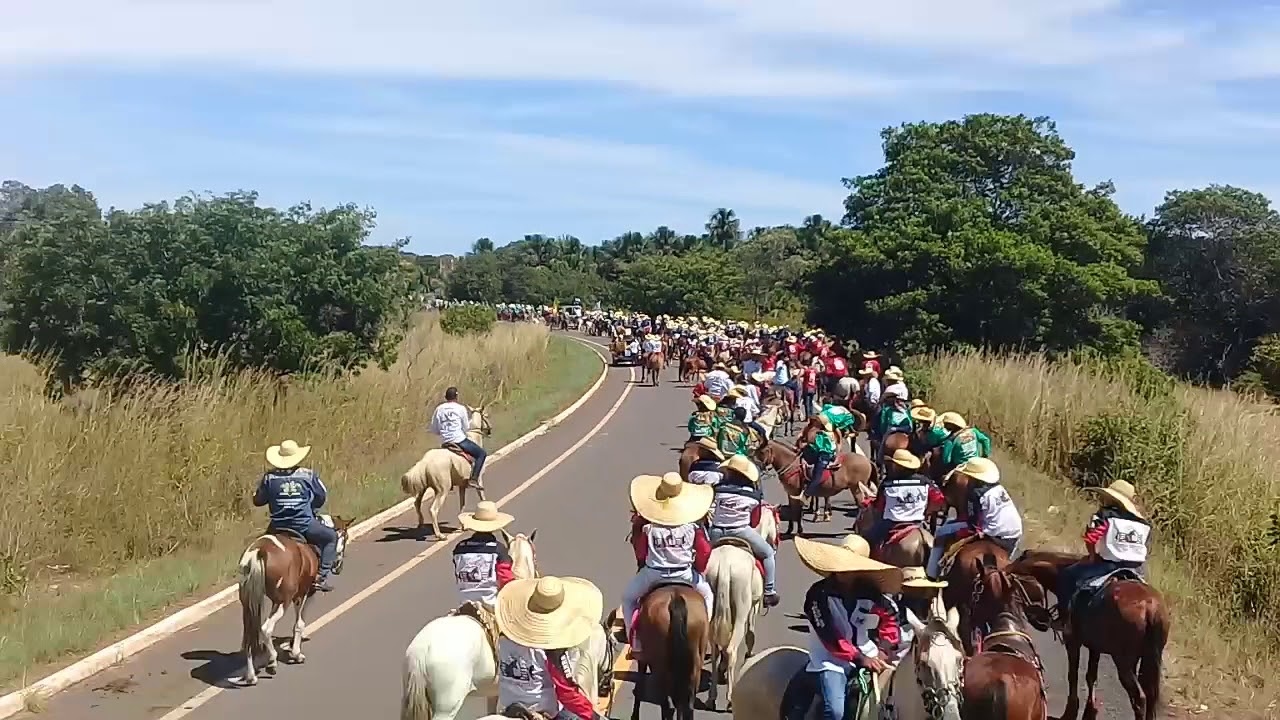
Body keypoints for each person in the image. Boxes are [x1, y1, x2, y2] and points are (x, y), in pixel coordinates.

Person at [782, 536, 904, 720]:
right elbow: (829, 636)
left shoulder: (870, 593)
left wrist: (883, 649)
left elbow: (891, 615)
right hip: (829, 660)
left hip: (868, 654)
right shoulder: (818, 595)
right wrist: (859, 658)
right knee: (835, 712)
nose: (842, 571)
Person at [623, 473, 715, 657]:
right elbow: (704, 551)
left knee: (628, 599)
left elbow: (641, 553)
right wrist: (699, 569)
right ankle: (705, 638)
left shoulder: (649, 528)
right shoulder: (692, 528)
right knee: (708, 597)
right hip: (685, 574)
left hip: (653, 574)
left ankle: (637, 644)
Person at [494, 576, 605, 720]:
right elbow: (566, 694)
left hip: (506, 706)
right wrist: (592, 716)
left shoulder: (504, 638)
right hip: (540, 710)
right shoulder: (551, 651)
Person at [1055, 480, 1151, 630]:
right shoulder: (1143, 523)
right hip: (1138, 569)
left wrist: (1092, 556)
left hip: (1109, 565)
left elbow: (1091, 538)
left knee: (1067, 576)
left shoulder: (1105, 515)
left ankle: (1065, 621)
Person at [254, 439, 337, 592]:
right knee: (331, 537)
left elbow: (258, 500)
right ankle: (321, 576)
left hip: (277, 526)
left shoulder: (269, 478)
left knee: (258, 550)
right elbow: (321, 496)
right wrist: (312, 507)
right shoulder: (308, 475)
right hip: (304, 525)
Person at [926, 457, 1024, 578]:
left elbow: (973, 524)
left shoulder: (976, 493)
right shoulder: (999, 488)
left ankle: (931, 574)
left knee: (942, 532)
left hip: (990, 533)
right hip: (1014, 534)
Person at [708, 454, 780, 607]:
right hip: (741, 531)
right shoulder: (753, 495)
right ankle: (769, 591)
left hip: (716, 532)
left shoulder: (718, 489)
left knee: (697, 554)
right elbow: (755, 520)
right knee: (768, 553)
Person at [864, 450, 943, 550]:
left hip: (891, 523)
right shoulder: (925, 482)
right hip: (918, 522)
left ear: (898, 467)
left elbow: (879, 506)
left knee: (869, 541)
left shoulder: (888, 483)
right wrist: (927, 512)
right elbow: (938, 500)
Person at [452, 501, 517, 608]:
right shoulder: (499, 549)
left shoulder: (459, 548)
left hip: (464, 603)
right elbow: (506, 580)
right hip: (491, 603)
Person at [430, 386, 487, 489]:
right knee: (481, 454)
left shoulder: (438, 409)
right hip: (459, 440)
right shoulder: (460, 408)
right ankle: (473, 479)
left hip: (445, 442)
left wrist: (443, 432)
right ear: (456, 397)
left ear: (446, 397)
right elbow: (465, 427)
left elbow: (434, 429)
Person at [797, 414, 838, 504]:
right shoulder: (823, 432)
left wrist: (807, 445)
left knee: (817, 474)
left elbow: (818, 446)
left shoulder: (823, 434)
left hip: (825, 455)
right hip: (822, 452)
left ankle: (807, 494)